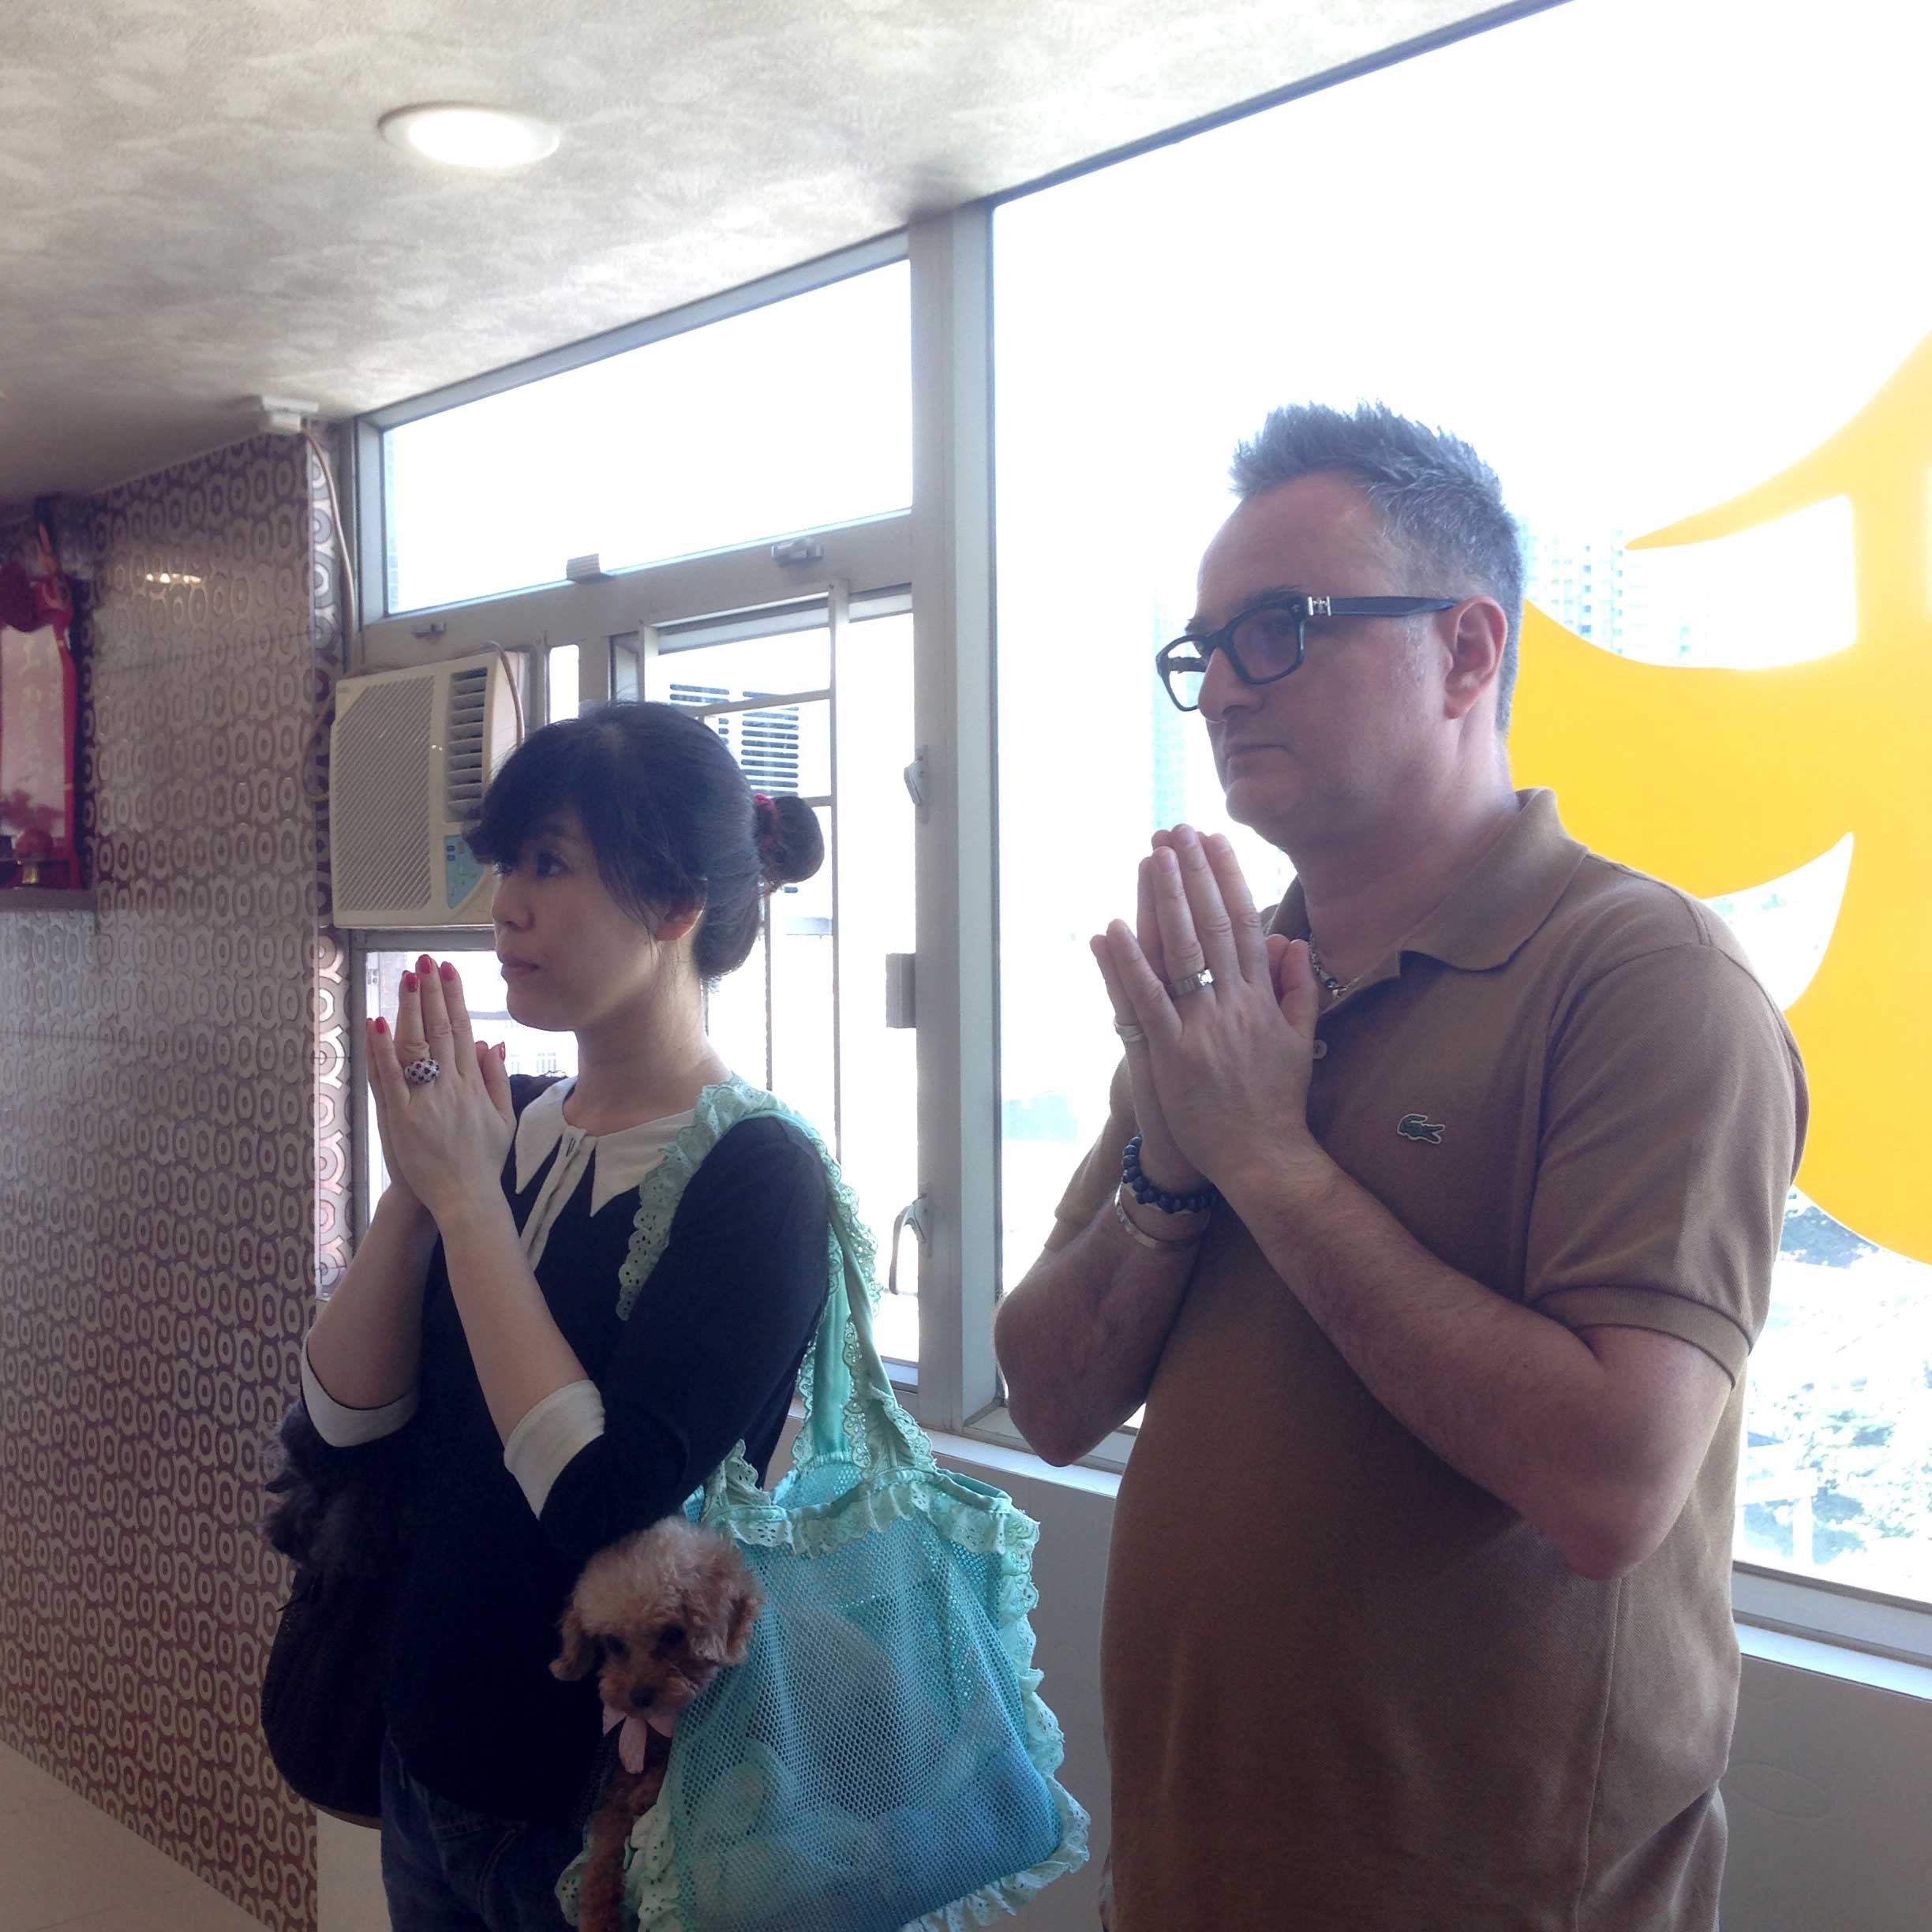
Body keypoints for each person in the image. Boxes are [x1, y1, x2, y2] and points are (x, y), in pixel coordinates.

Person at [994, 403, 1806, 1931]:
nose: (1227, 687)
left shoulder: (1645, 980)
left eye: (1280, 630)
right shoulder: (1232, 992)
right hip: (1186, 1879)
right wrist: (1175, 1167)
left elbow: (1609, 1486)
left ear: (1467, 651)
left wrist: (1269, 1161)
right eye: (1206, 650)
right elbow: (1046, 1398)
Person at [302, 701, 833, 1932]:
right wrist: (420, 1188)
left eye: (549, 865)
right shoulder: (509, 1121)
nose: (505, 908)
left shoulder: (760, 1176)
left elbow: (599, 1497)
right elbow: (343, 1419)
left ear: (676, 903)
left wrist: (465, 1198)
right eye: (507, 866)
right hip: (424, 1764)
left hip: (601, 1823)